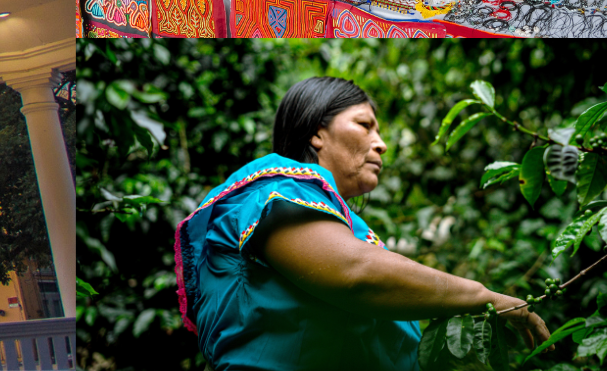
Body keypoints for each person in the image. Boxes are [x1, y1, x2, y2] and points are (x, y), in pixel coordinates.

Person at [176, 77, 549, 370]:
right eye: (364, 125)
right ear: (316, 133)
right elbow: (357, 273)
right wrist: (485, 297)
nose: (381, 143)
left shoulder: (340, 219)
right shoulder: (274, 191)